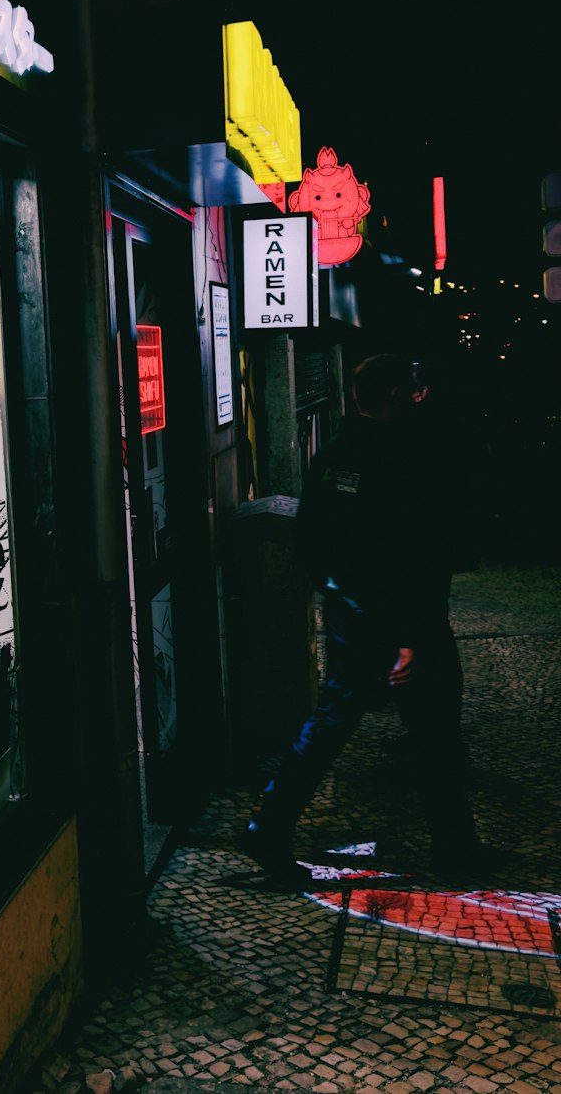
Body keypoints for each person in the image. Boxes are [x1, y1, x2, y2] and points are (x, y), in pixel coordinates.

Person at [240, 353, 489, 885]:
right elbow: (410, 555)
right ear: (397, 395)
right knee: (434, 732)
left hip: (349, 615)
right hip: (405, 623)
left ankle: (270, 823)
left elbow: (310, 538)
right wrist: (408, 637)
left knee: (330, 723)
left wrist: (339, 595)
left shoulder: (333, 454)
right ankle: (455, 848)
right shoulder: (408, 458)